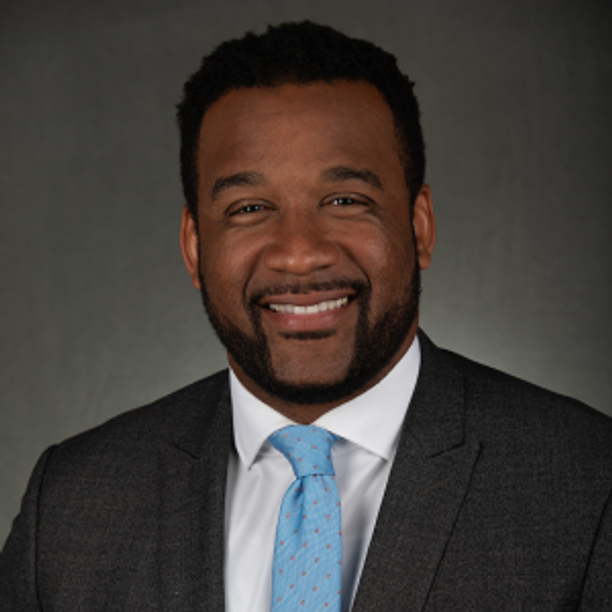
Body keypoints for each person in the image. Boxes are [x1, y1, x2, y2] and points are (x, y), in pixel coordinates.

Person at [1, 21, 611, 612]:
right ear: (193, 247)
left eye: (345, 200)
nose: (298, 253)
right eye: (249, 207)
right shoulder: (70, 507)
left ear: (419, 226)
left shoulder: (588, 484)